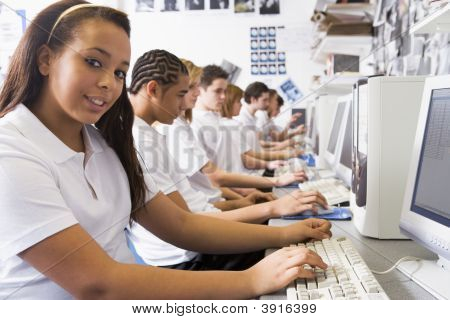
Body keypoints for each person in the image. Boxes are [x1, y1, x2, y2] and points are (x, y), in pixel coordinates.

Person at [0, 1, 331, 299]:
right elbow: (95, 283)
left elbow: (181, 225)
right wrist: (251, 281)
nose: (109, 83)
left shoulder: (104, 141)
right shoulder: (11, 149)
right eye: (93, 61)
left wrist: (287, 231)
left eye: (118, 72)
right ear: (46, 59)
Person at [128, 49, 328, 269]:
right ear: (153, 89)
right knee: (295, 251)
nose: (188, 99)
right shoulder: (145, 140)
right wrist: (278, 220)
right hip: (188, 256)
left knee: (291, 240)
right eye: (181, 93)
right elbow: (187, 223)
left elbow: (192, 209)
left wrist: (243, 204)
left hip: (198, 237)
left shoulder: (152, 134)